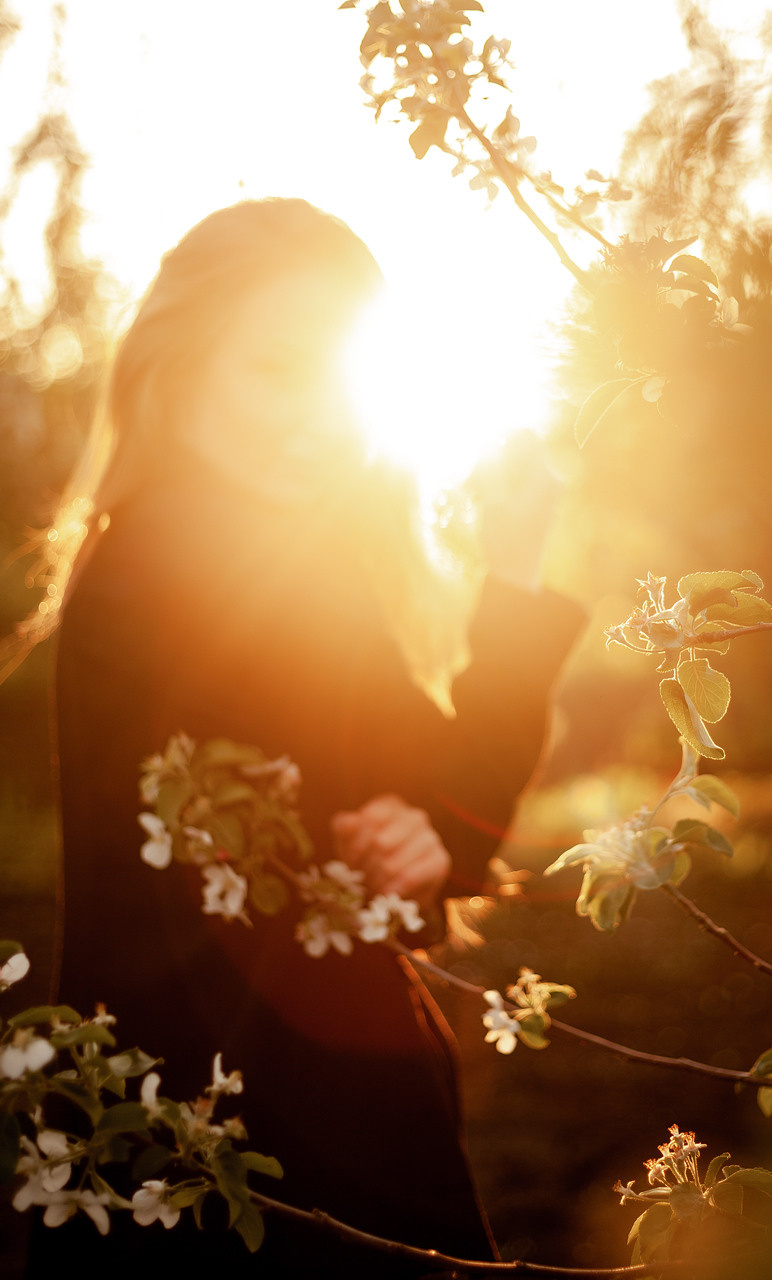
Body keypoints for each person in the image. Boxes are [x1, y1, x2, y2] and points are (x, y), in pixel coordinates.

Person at [27, 198, 584, 1276]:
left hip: (233, 1142)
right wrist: (409, 842)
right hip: (262, 1152)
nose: (314, 418)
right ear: (181, 366)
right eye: (277, 370)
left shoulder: (293, 564)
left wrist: (420, 829)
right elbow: (261, 905)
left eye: (340, 380)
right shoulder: (171, 565)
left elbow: (437, 802)